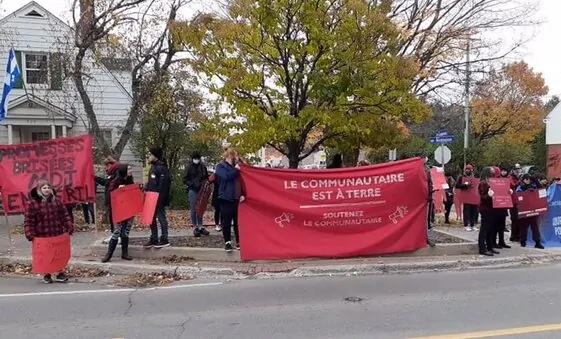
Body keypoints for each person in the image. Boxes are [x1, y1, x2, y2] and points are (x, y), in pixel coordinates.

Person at [24, 180, 73, 284]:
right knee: (45, 255)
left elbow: (64, 215)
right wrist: (29, 233)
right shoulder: (32, 204)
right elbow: (29, 220)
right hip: (42, 234)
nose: (46, 190)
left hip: (56, 232)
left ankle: (60, 273)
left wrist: (69, 226)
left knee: (57, 254)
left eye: (48, 188)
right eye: (44, 188)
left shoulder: (57, 202)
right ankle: (47, 274)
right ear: (39, 190)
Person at [101, 164, 135, 263]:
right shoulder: (115, 181)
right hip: (119, 211)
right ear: (124, 170)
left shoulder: (130, 181)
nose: (131, 170)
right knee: (116, 232)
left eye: (131, 168)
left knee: (125, 232)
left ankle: (125, 253)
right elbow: (109, 193)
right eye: (129, 169)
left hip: (129, 210)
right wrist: (118, 189)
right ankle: (109, 254)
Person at [144, 147, 172, 249]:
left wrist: (160, 198)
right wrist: (146, 189)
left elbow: (163, 185)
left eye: (150, 154)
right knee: (151, 219)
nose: (149, 156)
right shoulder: (153, 167)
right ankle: (154, 238)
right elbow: (151, 183)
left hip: (158, 198)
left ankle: (164, 238)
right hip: (151, 196)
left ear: (155, 156)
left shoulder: (161, 168)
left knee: (161, 217)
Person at [215, 148, 241, 252]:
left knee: (237, 222)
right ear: (228, 156)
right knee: (226, 221)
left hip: (236, 198)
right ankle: (227, 242)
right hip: (226, 197)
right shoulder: (220, 167)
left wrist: (242, 194)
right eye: (232, 156)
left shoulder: (235, 167)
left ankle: (239, 241)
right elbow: (226, 176)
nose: (233, 158)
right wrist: (236, 170)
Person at [182, 151, 210, 237]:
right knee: (194, 208)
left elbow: (206, 177)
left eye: (198, 158)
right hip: (192, 189)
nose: (197, 160)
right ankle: (195, 227)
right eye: (195, 158)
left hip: (201, 190)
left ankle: (200, 226)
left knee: (200, 208)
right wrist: (192, 184)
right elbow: (184, 179)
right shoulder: (189, 167)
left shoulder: (202, 167)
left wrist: (205, 183)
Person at [95, 154, 120, 243]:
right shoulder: (112, 174)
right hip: (111, 200)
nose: (105, 168)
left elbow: (108, 184)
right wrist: (95, 178)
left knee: (116, 218)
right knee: (112, 217)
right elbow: (106, 183)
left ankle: (117, 235)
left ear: (111, 164)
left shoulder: (117, 173)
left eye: (107, 165)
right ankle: (114, 233)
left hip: (115, 200)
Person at [516, 174, 544, 249]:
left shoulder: (533, 186)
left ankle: (537, 242)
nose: (528, 181)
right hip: (524, 210)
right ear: (523, 180)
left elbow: (541, 190)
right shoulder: (520, 187)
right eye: (526, 179)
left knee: (534, 226)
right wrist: (526, 192)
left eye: (529, 179)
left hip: (532, 210)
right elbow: (518, 196)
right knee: (523, 227)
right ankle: (523, 241)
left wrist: (535, 182)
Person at [477, 167, 499, 256]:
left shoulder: (491, 182)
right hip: (485, 208)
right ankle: (482, 248)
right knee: (484, 228)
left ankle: (490, 247)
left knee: (490, 228)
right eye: (491, 171)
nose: (493, 172)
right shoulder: (483, 183)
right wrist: (488, 195)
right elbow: (482, 196)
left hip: (491, 208)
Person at [456, 164, 478, 231]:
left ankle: (472, 224)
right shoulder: (461, 177)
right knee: (466, 211)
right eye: (466, 169)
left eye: (469, 169)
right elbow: (457, 186)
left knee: (474, 211)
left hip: (473, 196)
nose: (467, 170)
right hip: (466, 197)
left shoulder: (474, 176)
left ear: (471, 170)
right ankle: (466, 224)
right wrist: (464, 185)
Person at [493, 166, 512, 249]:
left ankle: (501, 241)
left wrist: (509, 191)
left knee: (502, 225)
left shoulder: (507, 180)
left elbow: (511, 187)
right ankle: (494, 242)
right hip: (496, 205)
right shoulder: (494, 180)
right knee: (495, 225)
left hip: (503, 205)